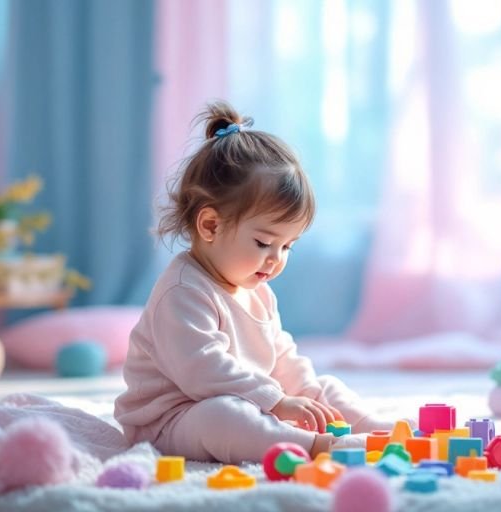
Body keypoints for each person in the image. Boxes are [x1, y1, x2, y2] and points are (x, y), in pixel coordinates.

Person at [115, 101, 392, 463]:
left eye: (288, 245)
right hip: (173, 421)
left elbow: (281, 357)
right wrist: (275, 401)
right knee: (224, 417)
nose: (276, 258)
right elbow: (202, 371)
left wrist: (306, 397)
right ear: (210, 226)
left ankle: (380, 432)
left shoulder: (257, 290)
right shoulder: (182, 291)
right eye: (264, 243)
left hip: (244, 399)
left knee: (325, 388)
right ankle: (313, 447)